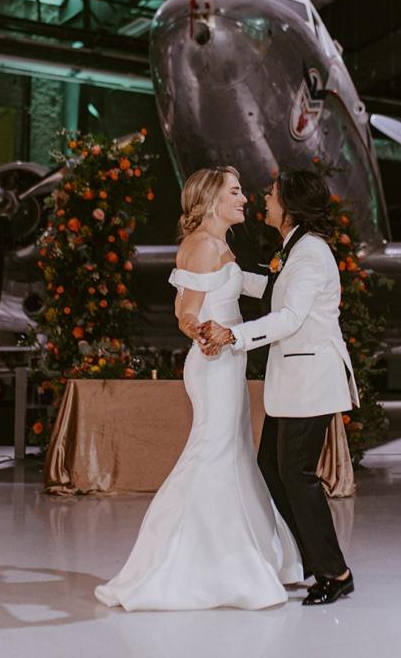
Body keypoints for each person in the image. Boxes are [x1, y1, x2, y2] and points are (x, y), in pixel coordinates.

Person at [94, 166, 302, 611]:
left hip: (226, 362)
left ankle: (244, 559)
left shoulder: (217, 245)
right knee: (211, 455)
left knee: (232, 454)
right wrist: (201, 334)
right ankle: (189, 563)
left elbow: (231, 293)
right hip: (214, 367)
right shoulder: (205, 247)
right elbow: (185, 310)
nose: (245, 198)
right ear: (211, 200)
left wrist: (295, 274)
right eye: (236, 191)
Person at [200, 169, 359, 606]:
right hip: (293, 383)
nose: (263, 200)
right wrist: (227, 275)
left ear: (288, 206)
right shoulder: (294, 250)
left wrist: (236, 335)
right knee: (272, 466)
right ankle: (311, 559)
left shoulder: (310, 254)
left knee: (296, 473)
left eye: (270, 195)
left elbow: (290, 317)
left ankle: (335, 571)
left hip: (312, 380)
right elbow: (275, 290)